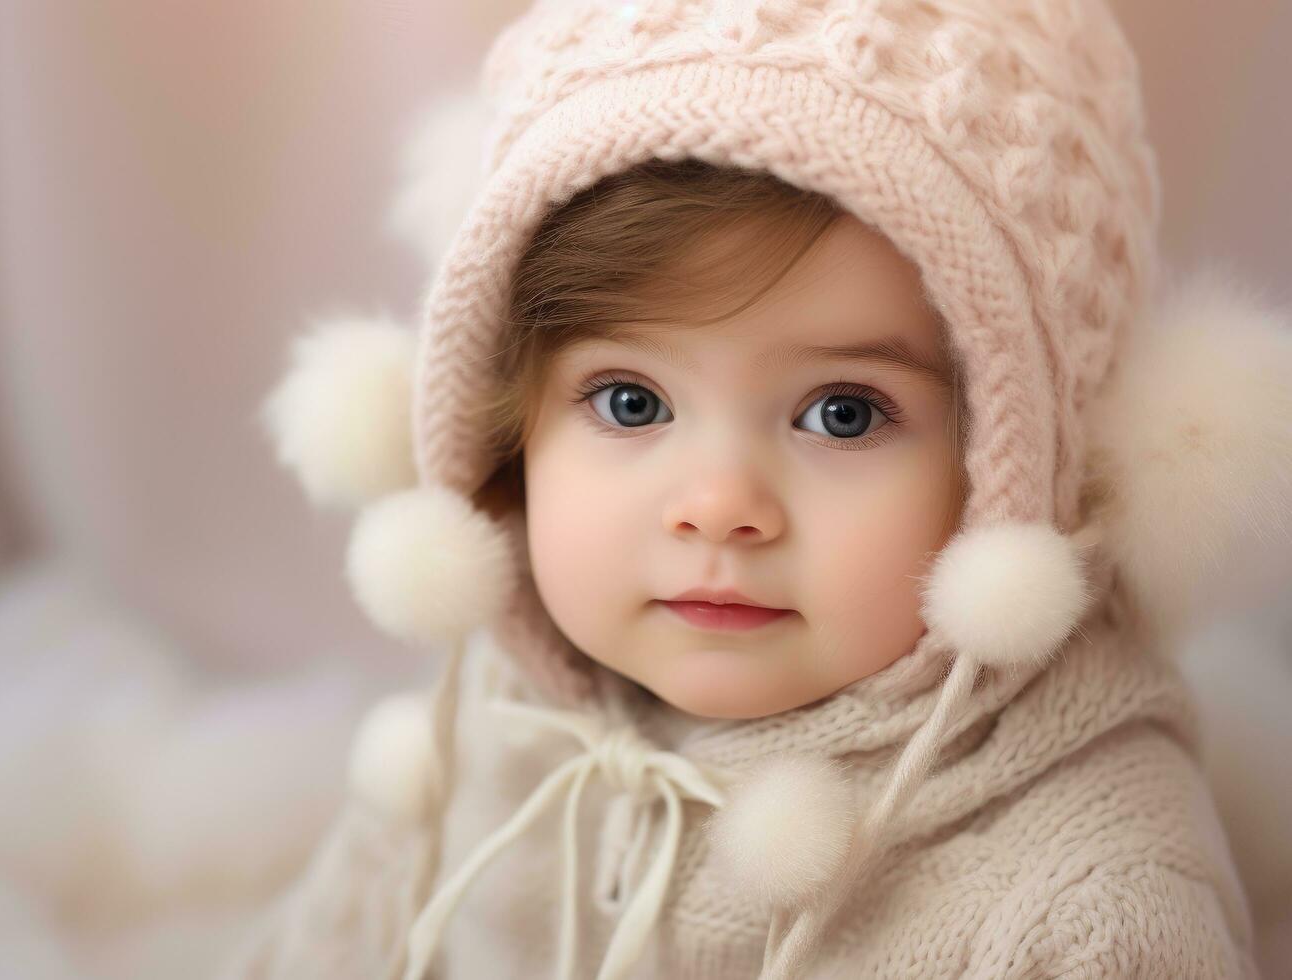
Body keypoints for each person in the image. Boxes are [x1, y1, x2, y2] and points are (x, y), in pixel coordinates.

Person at [235, 0, 1292, 976]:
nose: (718, 503)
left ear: (1024, 467)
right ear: (504, 429)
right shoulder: (489, 736)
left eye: (843, 411)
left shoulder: (1093, 903)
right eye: (630, 402)